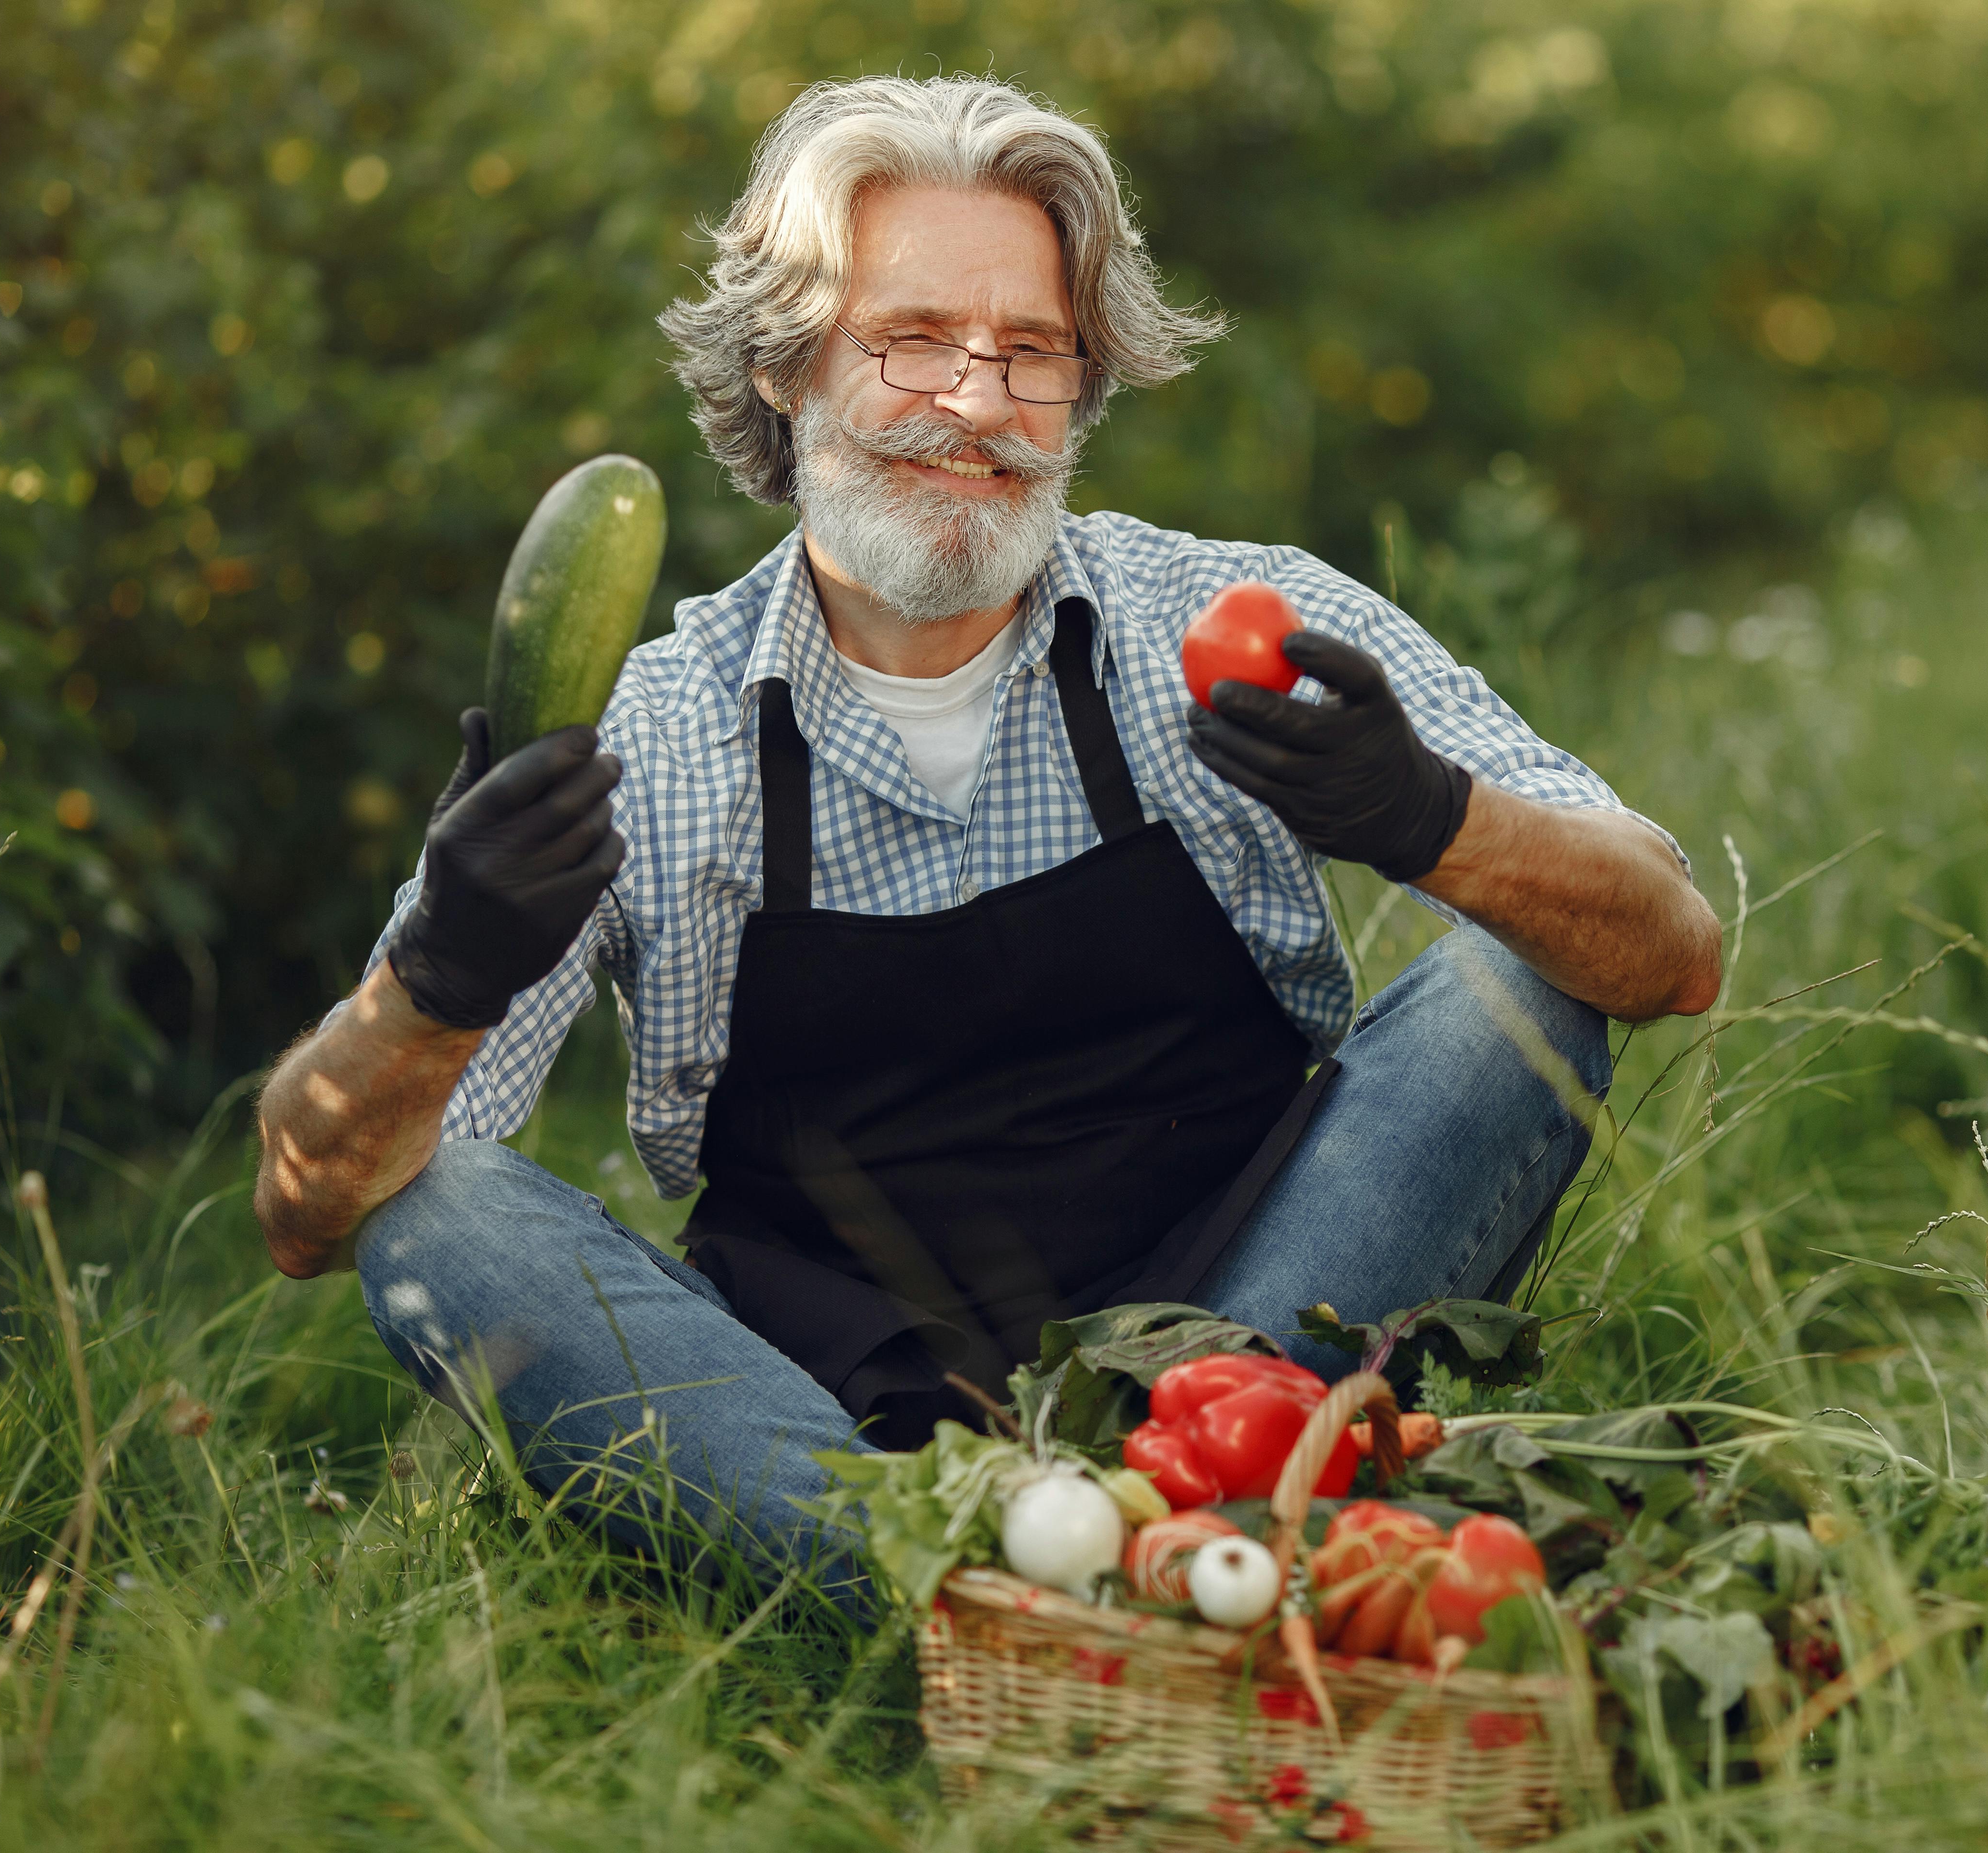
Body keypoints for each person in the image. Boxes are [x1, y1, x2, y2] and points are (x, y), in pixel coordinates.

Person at [253, 74, 1720, 1578]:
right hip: (837, 1416)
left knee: (1524, 968)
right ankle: (955, 1578)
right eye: (909, 340)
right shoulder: (654, 735)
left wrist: (1434, 820)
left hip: (1244, 1349)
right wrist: (439, 974)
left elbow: (1672, 950)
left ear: (1085, 391)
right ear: (786, 366)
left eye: (1031, 354)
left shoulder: (1224, 626)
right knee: (441, 1218)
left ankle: (1169, 1534)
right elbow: (314, 1207)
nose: (975, 404)